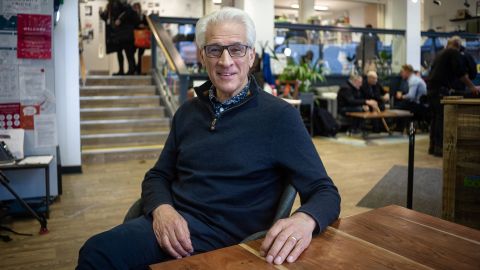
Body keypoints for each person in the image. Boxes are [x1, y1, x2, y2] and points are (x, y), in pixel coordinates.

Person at [77, 7, 340, 269]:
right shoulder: (188, 112)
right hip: (169, 228)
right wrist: (163, 210)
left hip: (226, 245)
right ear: (203, 57)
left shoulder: (280, 117)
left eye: (236, 49)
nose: (226, 61)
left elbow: (325, 192)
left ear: (252, 57)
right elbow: (157, 176)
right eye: (215, 50)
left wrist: (305, 221)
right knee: (96, 252)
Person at [427, 36, 480, 156]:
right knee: (441, 118)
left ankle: (433, 147)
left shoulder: (440, 54)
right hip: (440, 90)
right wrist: (472, 87)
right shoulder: (453, 52)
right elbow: (460, 73)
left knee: (435, 118)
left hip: (431, 89)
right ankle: (440, 149)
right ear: (457, 44)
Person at [100, 0, 138, 75]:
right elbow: (108, 18)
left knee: (128, 53)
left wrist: (120, 19)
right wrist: (102, 14)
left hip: (125, 33)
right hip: (119, 34)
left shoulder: (121, 5)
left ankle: (131, 70)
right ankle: (123, 70)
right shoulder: (111, 5)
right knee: (121, 52)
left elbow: (129, 12)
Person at [132, 2, 148, 75]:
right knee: (131, 54)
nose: (136, 9)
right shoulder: (131, 16)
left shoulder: (143, 16)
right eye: (134, 8)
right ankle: (134, 68)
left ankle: (139, 69)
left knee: (140, 55)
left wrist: (144, 26)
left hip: (142, 38)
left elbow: (147, 25)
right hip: (133, 38)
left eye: (137, 7)